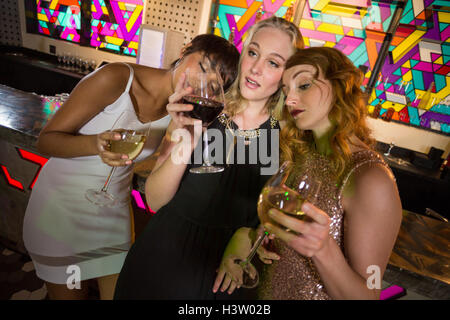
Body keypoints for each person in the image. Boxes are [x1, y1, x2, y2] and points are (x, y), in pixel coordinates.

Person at [22, 34, 239, 300]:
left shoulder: (181, 112)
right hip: (62, 210)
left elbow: (165, 175)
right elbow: (46, 141)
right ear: (185, 50)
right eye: (203, 67)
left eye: (215, 83)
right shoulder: (115, 78)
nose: (200, 83)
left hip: (113, 215)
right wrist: (96, 145)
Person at [113, 16, 304, 300]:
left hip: (227, 274)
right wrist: (187, 138)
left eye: (273, 63)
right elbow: (154, 200)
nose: (255, 68)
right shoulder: (204, 105)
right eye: (253, 53)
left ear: (288, 76)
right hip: (165, 256)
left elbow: (282, 215)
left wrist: (248, 234)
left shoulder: (289, 138)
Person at [217, 47, 403, 300]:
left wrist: (324, 249)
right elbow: (288, 245)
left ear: (339, 86)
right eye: (286, 91)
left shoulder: (371, 178)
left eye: (303, 86)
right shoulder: (301, 154)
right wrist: (252, 237)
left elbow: (369, 294)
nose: (290, 99)